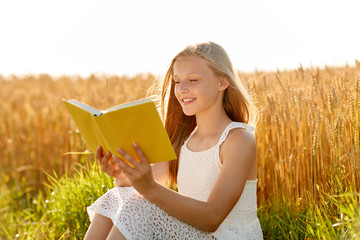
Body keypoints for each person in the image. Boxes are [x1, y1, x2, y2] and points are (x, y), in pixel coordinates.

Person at [84, 42, 263, 239]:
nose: (182, 89)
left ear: (222, 82)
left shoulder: (238, 140)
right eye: (177, 81)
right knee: (118, 197)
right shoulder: (183, 139)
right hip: (195, 233)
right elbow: (145, 182)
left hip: (225, 236)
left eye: (193, 80)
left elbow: (212, 218)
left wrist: (149, 187)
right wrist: (122, 173)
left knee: (139, 209)